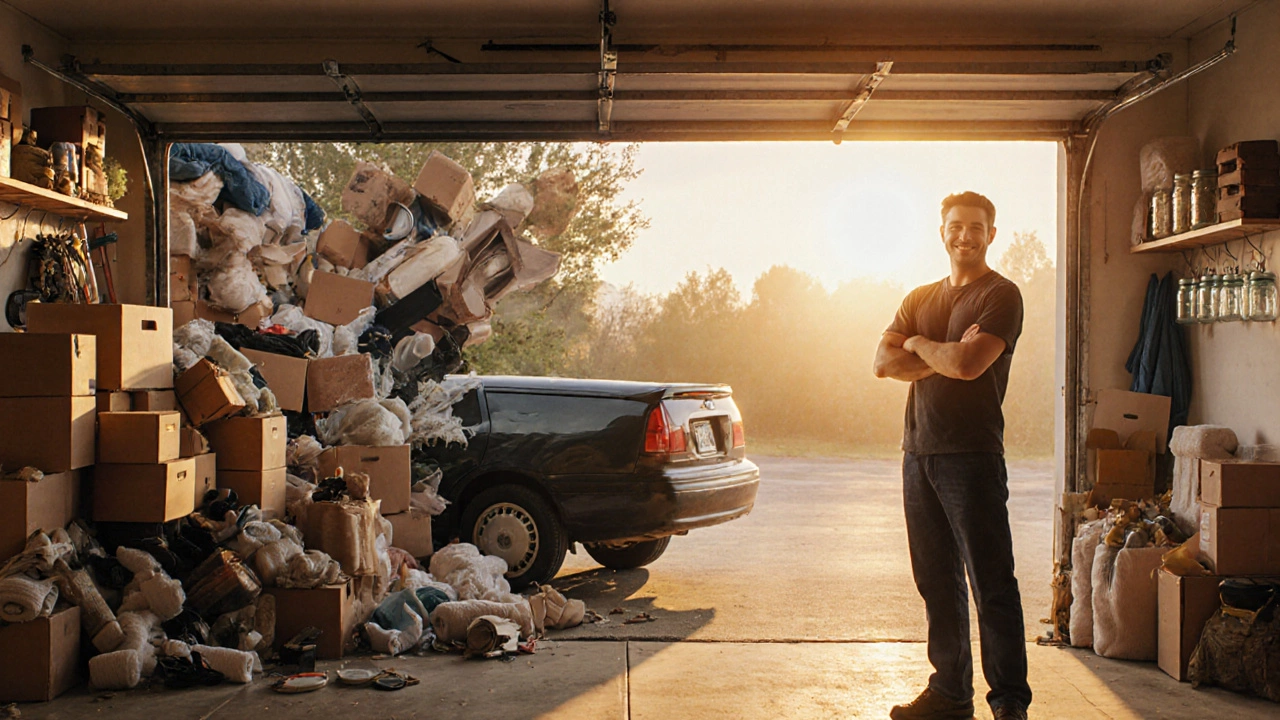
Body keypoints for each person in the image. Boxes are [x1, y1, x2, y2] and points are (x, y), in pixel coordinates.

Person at [872, 191, 1031, 720]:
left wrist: (919, 346)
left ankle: (1009, 703)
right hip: (918, 451)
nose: (965, 234)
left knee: (991, 583)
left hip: (972, 454)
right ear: (942, 231)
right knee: (936, 580)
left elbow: (968, 365)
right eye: (956, 225)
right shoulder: (920, 297)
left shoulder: (1001, 296)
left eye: (976, 226)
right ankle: (949, 694)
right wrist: (931, 347)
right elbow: (882, 363)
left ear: (992, 233)